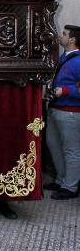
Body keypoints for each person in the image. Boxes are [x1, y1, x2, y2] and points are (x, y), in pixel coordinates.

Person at [45, 25, 80, 200]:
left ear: (72, 39)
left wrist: (64, 91)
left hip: (70, 112)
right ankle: (61, 179)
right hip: (55, 109)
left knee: (71, 150)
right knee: (54, 145)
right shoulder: (64, 58)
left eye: (65, 34)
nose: (61, 36)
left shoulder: (78, 60)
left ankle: (71, 187)